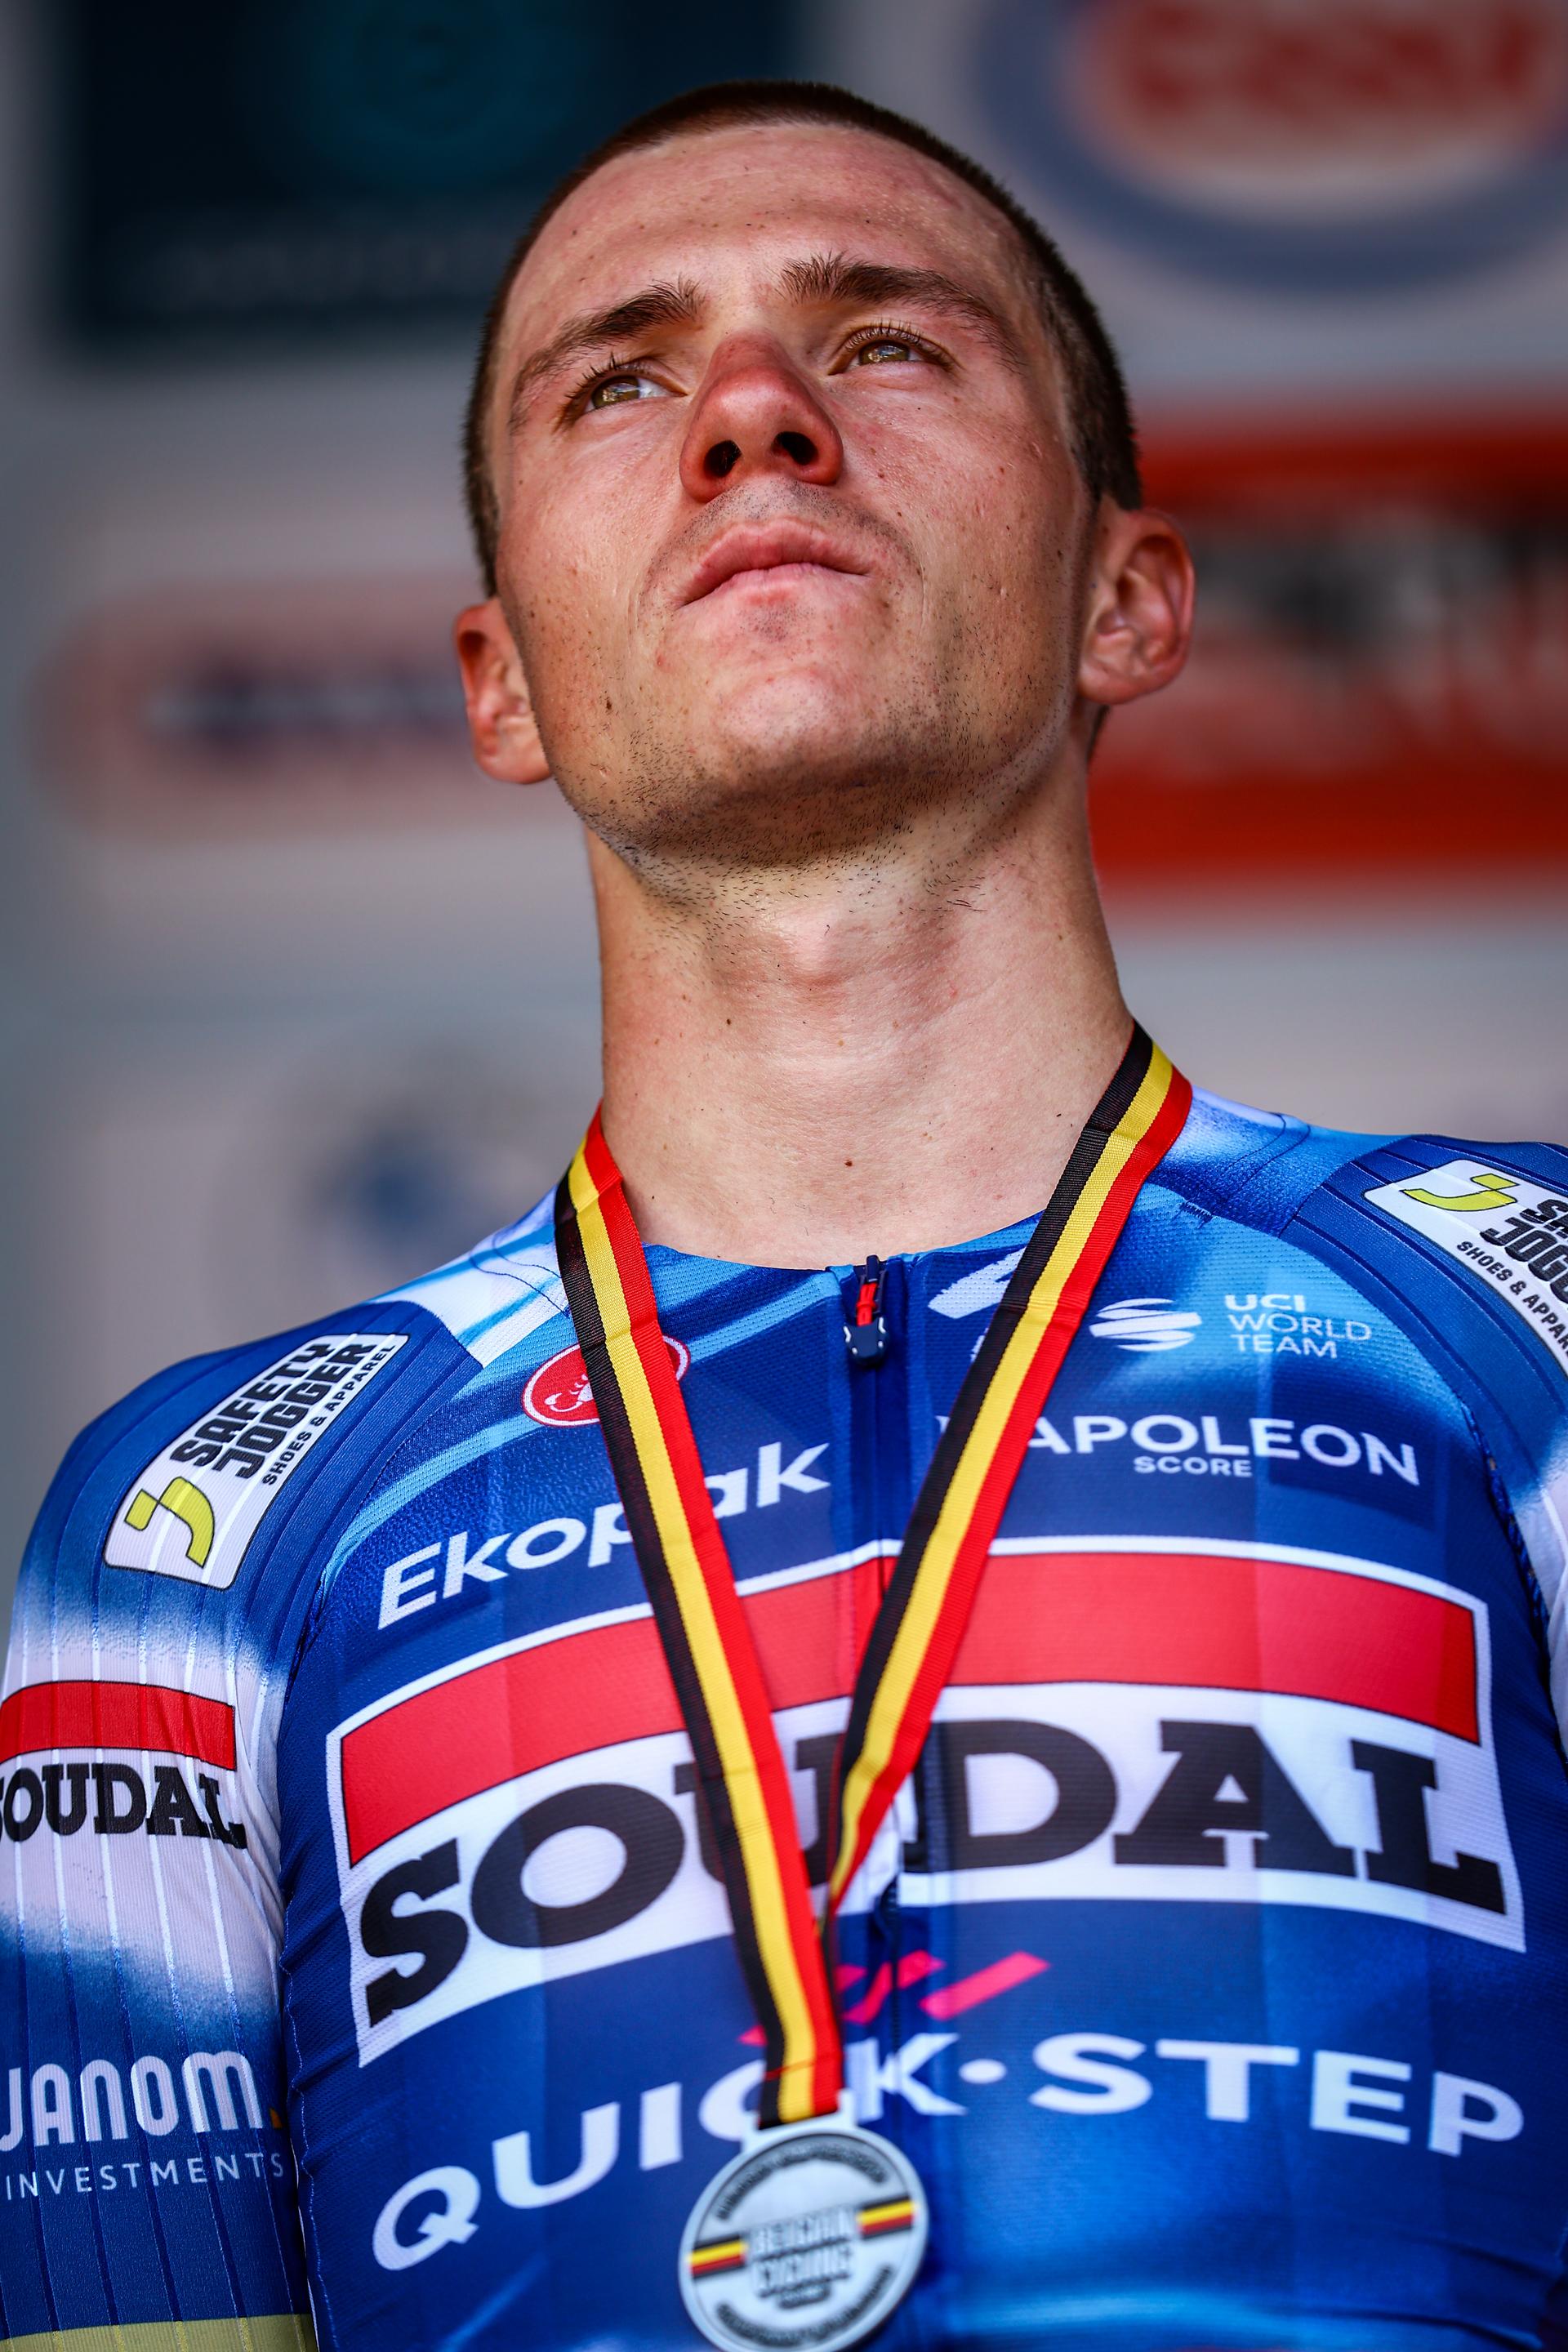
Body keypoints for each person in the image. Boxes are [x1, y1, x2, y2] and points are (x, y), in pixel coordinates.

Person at [2, 78, 1566, 2352]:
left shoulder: (1515, 1326)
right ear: (501, 682)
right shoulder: (190, 1540)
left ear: (1128, 599)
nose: (753, 417)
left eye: (890, 343)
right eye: (623, 381)